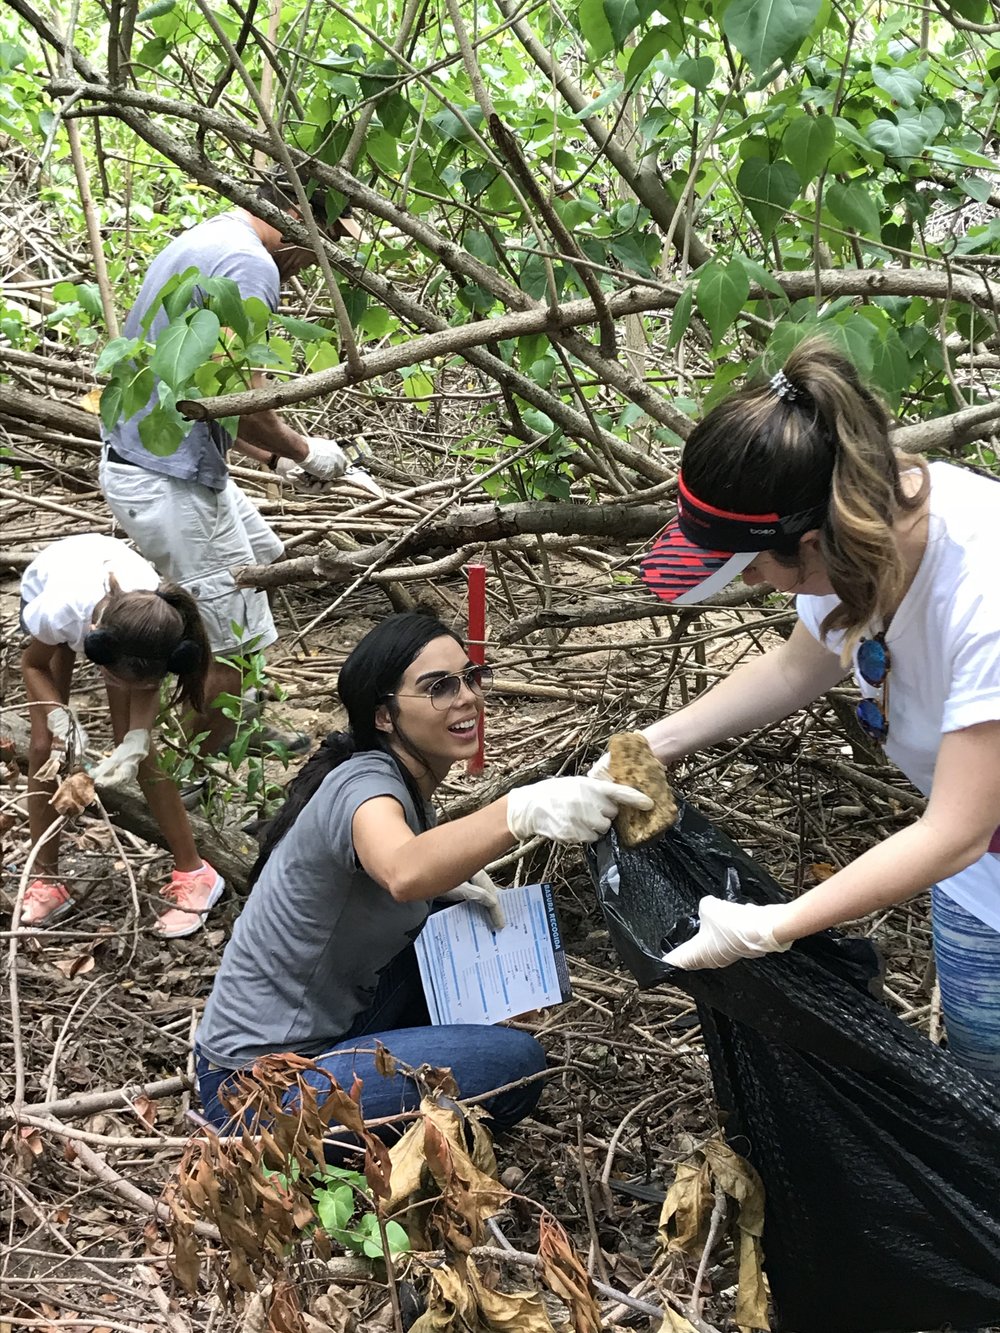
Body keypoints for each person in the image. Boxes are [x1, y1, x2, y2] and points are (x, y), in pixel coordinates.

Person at [594, 336, 1000, 1079]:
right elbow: (795, 667)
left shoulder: (983, 592)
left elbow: (956, 831)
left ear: (809, 543)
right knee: (987, 1072)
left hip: (974, 845)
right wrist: (652, 742)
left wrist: (774, 925)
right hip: (982, 887)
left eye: (752, 569)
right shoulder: (861, 530)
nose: (752, 586)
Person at [194, 611, 651, 1142]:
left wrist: (447, 891)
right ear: (384, 715)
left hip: (324, 1036)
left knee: (449, 944)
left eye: (469, 677)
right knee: (518, 1065)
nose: (466, 698)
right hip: (257, 1091)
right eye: (438, 687)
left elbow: (413, 871)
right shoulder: (364, 782)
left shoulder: (404, 782)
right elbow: (403, 870)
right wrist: (519, 810)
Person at [98, 174, 374, 758]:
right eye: (325, 236)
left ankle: (241, 719)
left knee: (263, 561)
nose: (319, 254)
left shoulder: (209, 238)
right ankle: (206, 767)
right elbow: (238, 401)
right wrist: (308, 451)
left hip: (156, 459)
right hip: (167, 480)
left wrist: (272, 456)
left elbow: (195, 390)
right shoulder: (252, 266)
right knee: (223, 633)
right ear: (298, 219)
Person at [18, 534, 225, 937]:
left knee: (143, 752)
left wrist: (135, 741)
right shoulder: (60, 610)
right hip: (51, 581)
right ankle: (46, 879)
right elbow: (33, 666)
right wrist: (60, 716)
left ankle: (194, 871)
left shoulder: (156, 629)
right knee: (45, 748)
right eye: (109, 675)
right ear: (96, 641)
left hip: (124, 629)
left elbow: (144, 685)